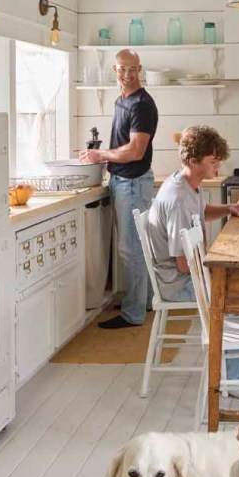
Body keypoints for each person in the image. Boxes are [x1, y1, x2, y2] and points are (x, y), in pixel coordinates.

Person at [147, 125, 239, 400]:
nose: (218, 166)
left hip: (189, 274)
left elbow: (200, 212)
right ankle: (234, 379)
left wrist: (231, 209)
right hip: (178, 283)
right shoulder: (177, 198)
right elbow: (183, 264)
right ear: (193, 161)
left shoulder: (188, 184)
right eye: (213, 161)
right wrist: (219, 268)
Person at [80, 49, 157, 330]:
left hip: (133, 182)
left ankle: (134, 313)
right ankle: (145, 302)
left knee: (131, 249)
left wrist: (101, 155)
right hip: (122, 181)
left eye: (132, 68)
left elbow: (135, 151)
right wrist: (104, 158)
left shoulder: (142, 105)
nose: (127, 74)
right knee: (136, 246)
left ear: (140, 69)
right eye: (122, 69)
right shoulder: (121, 100)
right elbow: (124, 144)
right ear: (114, 69)